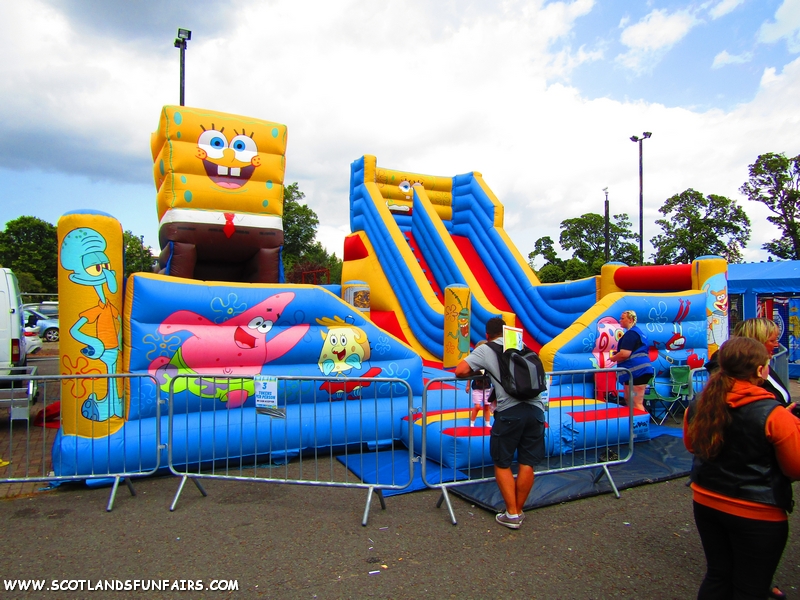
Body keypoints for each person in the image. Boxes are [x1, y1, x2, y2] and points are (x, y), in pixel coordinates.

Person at [684, 336, 800, 599]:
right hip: (757, 512)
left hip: (707, 501)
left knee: (718, 575)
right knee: (750, 587)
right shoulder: (773, 414)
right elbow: (795, 468)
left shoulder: (700, 403)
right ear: (760, 370)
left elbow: (693, 446)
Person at [455, 317, 546, 530]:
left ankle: (512, 513)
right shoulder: (521, 346)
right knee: (527, 462)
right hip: (536, 410)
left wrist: (479, 372)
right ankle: (518, 510)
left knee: (502, 462)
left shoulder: (486, 349)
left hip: (509, 410)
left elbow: (459, 370)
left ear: (487, 335)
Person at [606, 310, 654, 413]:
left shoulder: (631, 334)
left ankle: (640, 424)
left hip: (637, 373)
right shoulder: (638, 333)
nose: (620, 320)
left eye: (622, 318)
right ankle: (633, 422)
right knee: (629, 398)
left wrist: (614, 358)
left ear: (630, 320)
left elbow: (625, 354)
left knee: (636, 401)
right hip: (635, 373)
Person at [467, 340, 494, 427]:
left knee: (487, 406)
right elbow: (470, 375)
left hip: (487, 388)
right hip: (477, 388)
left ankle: (487, 423)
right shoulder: (476, 364)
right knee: (477, 406)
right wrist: (468, 385)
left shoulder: (489, 364)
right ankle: (472, 422)